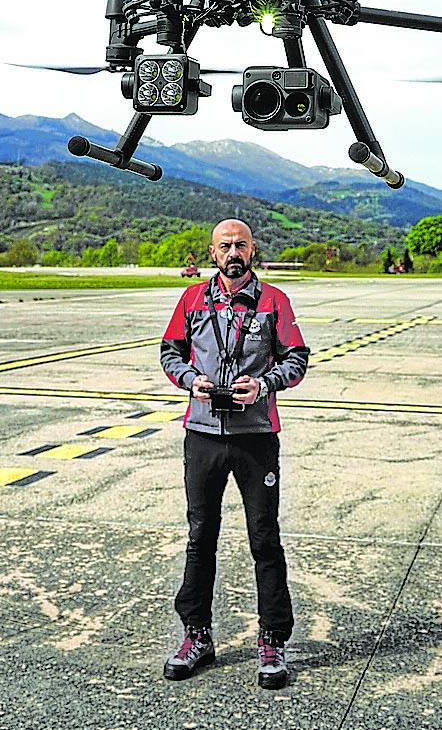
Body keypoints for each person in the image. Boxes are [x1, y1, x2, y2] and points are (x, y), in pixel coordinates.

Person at [160, 218, 309, 689]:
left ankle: (273, 640)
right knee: (200, 535)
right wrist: (191, 381)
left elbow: (297, 358)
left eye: (240, 244)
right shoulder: (192, 299)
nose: (232, 252)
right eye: (224, 245)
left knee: (264, 538)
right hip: (203, 434)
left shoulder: (274, 301)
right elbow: (170, 352)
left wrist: (264, 384)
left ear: (252, 249)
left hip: (256, 435)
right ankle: (196, 635)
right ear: (213, 252)